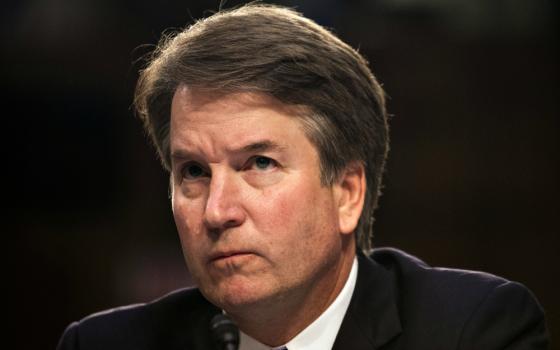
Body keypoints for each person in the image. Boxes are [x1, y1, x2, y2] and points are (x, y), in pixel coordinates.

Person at [57, 3, 549, 350]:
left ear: (348, 194)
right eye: (193, 171)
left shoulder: (472, 331)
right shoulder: (103, 344)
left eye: (260, 163)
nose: (216, 211)